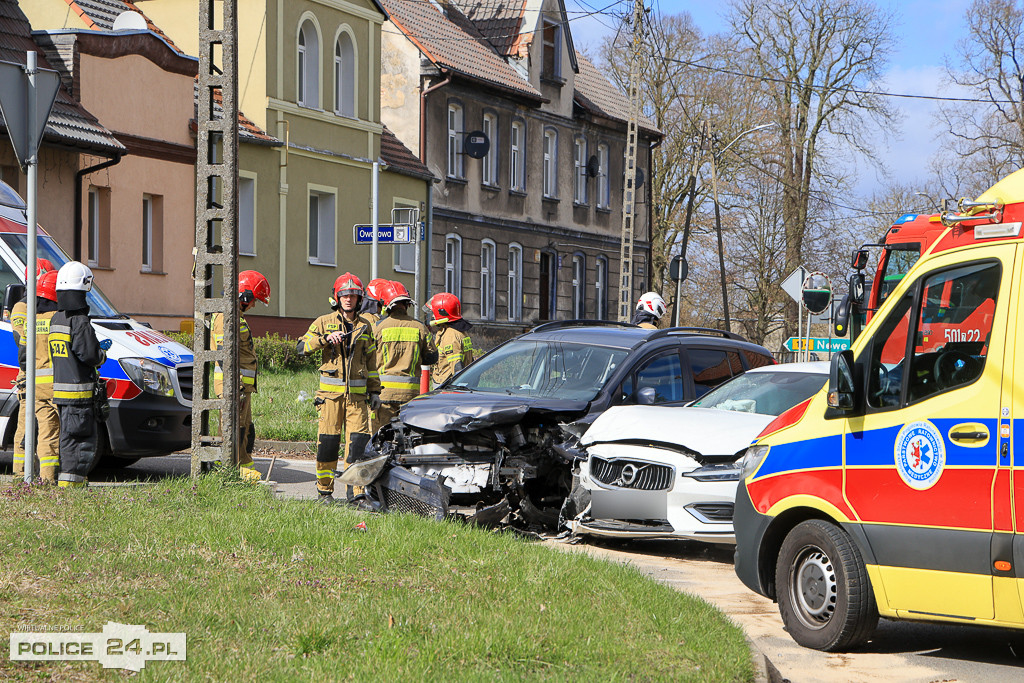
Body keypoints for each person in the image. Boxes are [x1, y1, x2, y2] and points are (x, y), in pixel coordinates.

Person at [297, 272, 381, 503]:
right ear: (337, 297)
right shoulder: (323, 322)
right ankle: (325, 492)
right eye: (344, 295)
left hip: (357, 399)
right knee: (328, 445)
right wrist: (324, 339)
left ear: (359, 299)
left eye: (353, 296)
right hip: (330, 399)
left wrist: (375, 392)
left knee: (358, 447)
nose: (348, 299)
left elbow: (372, 363)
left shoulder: (366, 326)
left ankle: (357, 493)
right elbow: (301, 348)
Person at [50, 262, 109, 488]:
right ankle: (72, 487)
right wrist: (101, 353)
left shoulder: (58, 319)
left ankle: (68, 484)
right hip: (79, 396)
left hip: (62, 395)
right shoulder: (80, 322)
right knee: (81, 442)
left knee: (68, 439)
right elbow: (90, 355)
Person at [210, 270, 270, 482]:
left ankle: (242, 462)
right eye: (253, 300)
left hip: (242, 386)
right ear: (244, 296)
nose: (253, 305)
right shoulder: (225, 317)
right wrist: (233, 385)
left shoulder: (237, 316)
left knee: (244, 428)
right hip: (232, 384)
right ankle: (228, 466)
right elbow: (223, 353)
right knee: (232, 426)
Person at [13, 269, 60, 482]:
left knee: (40, 431)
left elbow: (23, 352)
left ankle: (33, 475)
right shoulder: (58, 319)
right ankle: (27, 472)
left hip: (33, 381)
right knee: (51, 432)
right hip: (55, 385)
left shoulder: (33, 317)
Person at [373, 281, 438, 427]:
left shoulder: (377, 327)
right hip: (410, 395)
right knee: (407, 437)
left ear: (385, 305)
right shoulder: (420, 327)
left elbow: (367, 357)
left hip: (383, 395)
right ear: (407, 304)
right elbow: (432, 357)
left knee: (381, 436)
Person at [424, 292, 474, 386]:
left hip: (446, 385)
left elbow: (457, 366)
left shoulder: (450, 335)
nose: (433, 317)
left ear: (442, 313)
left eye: (434, 313)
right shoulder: (460, 331)